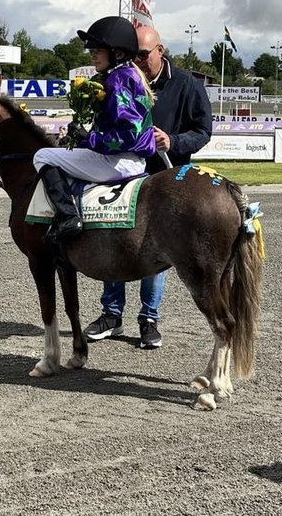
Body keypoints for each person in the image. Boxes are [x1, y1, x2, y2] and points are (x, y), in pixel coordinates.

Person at [83, 25, 213, 349]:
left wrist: (173, 140)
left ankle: (149, 318)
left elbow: (204, 129)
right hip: (124, 174)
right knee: (113, 238)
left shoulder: (186, 85)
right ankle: (111, 314)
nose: (137, 60)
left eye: (143, 53)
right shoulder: (120, 78)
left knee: (157, 249)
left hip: (166, 179)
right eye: (133, 54)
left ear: (161, 51)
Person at [33, 16, 157, 244]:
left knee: (42, 155)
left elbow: (128, 135)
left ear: (118, 53)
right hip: (127, 160)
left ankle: (68, 217)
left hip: (118, 162)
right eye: (92, 49)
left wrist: (88, 139)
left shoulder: (118, 80)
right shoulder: (125, 75)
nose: (92, 54)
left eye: (98, 49)